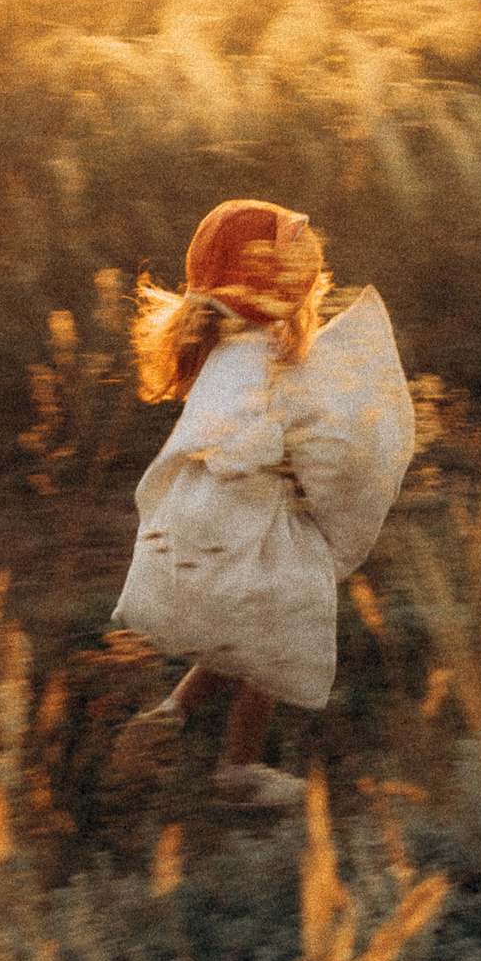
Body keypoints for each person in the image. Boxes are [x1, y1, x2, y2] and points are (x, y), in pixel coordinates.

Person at [111, 200, 413, 807]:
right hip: (240, 512)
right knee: (282, 616)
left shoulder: (226, 349)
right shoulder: (259, 356)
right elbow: (253, 439)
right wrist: (304, 460)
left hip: (206, 514)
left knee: (245, 628)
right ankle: (239, 769)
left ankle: (168, 715)